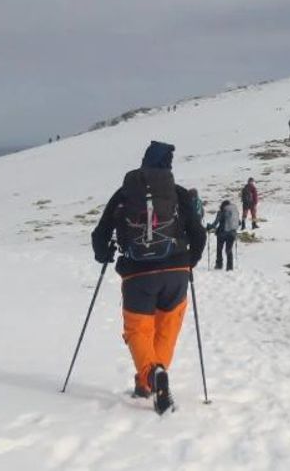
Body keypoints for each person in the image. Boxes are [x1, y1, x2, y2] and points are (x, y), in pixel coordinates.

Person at [90, 141, 205, 414]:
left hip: (137, 274)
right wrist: (190, 261)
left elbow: (100, 233)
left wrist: (103, 254)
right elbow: (198, 233)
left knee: (138, 330)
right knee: (167, 329)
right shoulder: (177, 193)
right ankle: (151, 380)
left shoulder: (125, 193)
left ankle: (152, 377)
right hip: (176, 272)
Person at [211, 200, 240, 270]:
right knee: (228, 250)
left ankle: (219, 264)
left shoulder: (221, 212)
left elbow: (215, 223)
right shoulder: (234, 212)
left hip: (221, 234)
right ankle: (230, 267)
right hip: (232, 233)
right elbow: (239, 223)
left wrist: (209, 227)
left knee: (219, 249)